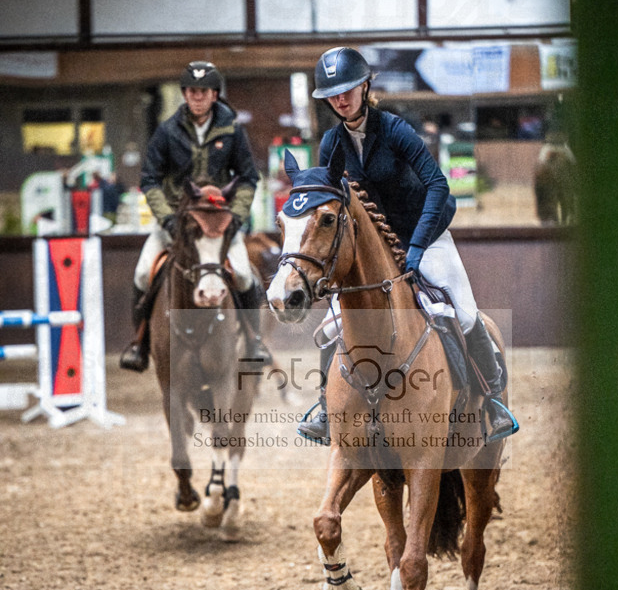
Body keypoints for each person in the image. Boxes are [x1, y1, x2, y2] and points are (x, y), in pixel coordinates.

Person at [297, 45, 518, 444]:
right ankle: (325, 407)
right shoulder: (331, 144)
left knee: (464, 314)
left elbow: (438, 184)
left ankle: (493, 400)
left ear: (365, 86)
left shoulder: (395, 130)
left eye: (348, 89)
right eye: (332, 94)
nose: (341, 99)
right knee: (333, 324)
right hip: (377, 246)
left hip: (426, 234)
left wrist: (416, 248)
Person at [120, 60, 266, 371]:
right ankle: (140, 344)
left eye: (203, 91)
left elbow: (249, 178)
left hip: (219, 224)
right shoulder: (167, 132)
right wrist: (167, 218)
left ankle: (254, 340)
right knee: (143, 273)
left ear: (214, 94)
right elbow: (150, 180)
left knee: (242, 274)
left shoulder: (232, 130)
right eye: (191, 91)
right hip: (176, 222)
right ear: (185, 94)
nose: (197, 96)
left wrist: (236, 217)